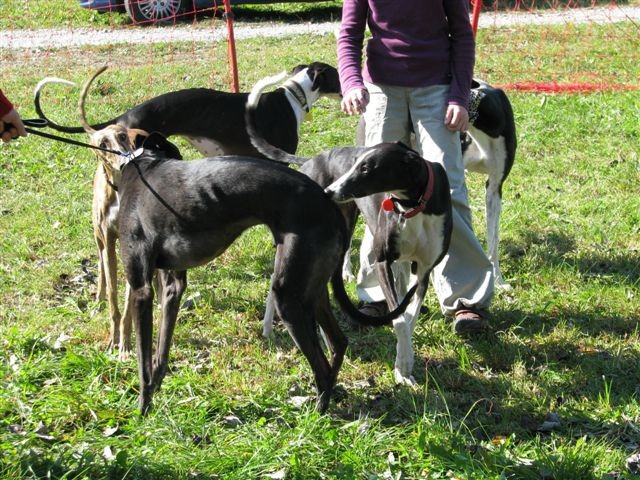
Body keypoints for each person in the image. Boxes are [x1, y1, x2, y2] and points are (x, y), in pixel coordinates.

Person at [337, 0, 494, 335]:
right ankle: (377, 293)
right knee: (377, 195)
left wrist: (458, 97)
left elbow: (462, 36)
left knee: (447, 188)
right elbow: (349, 33)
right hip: (381, 88)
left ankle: (465, 300)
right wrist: (351, 82)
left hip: (436, 87)